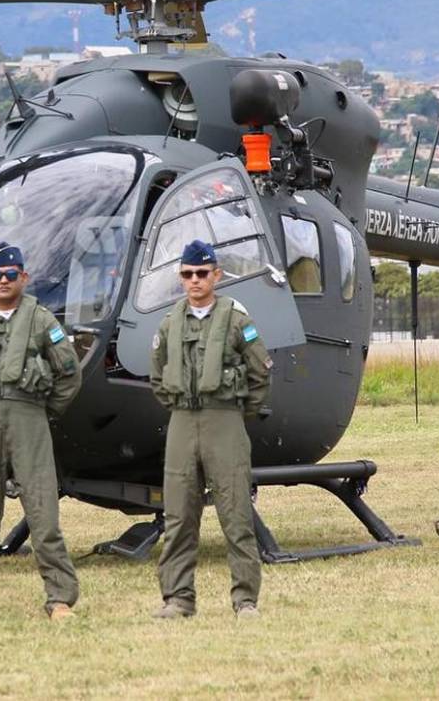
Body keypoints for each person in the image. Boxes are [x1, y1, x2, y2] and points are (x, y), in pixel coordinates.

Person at [0, 241, 82, 621]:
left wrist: (43, 409)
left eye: (11, 275)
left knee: (42, 510)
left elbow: (69, 373)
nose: (4, 281)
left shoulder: (41, 321)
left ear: (24, 277)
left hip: (30, 419)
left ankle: (59, 599)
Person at [149, 239, 273, 620]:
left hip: (225, 421)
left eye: (202, 273)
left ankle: (245, 600)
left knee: (235, 513)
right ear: (180, 278)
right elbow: (157, 375)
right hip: (182, 422)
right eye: (187, 274)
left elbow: (260, 373)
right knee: (179, 516)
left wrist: (235, 413)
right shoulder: (170, 323)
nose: (195, 280)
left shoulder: (237, 319)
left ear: (216, 275)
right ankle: (178, 598)